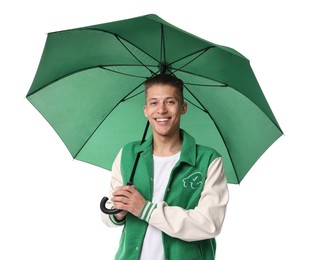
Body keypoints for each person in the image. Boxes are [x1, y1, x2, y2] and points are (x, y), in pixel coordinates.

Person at [101, 74, 229, 260]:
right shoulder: (128, 154)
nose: (161, 110)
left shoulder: (208, 160)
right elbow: (108, 217)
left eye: (170, 102)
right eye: (153, 103)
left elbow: (209, 224)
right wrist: (119, 211)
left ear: (183, 107)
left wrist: (144, 209)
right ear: (146, 110)